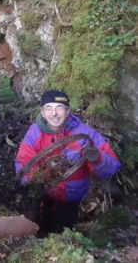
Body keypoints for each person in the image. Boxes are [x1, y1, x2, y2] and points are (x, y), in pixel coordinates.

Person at [15, 89, 120, 235]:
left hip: (72, 198)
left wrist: (98, 158)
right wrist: (35, 182)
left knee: (64, 231)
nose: (54, 113)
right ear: (42, 112)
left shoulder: (84, 133)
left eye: (59, 108)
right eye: (48, 108)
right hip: (44, 197)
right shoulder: (34, 133)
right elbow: (23, 164)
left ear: (67, 110)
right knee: (39, 229)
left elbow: (112, 167)